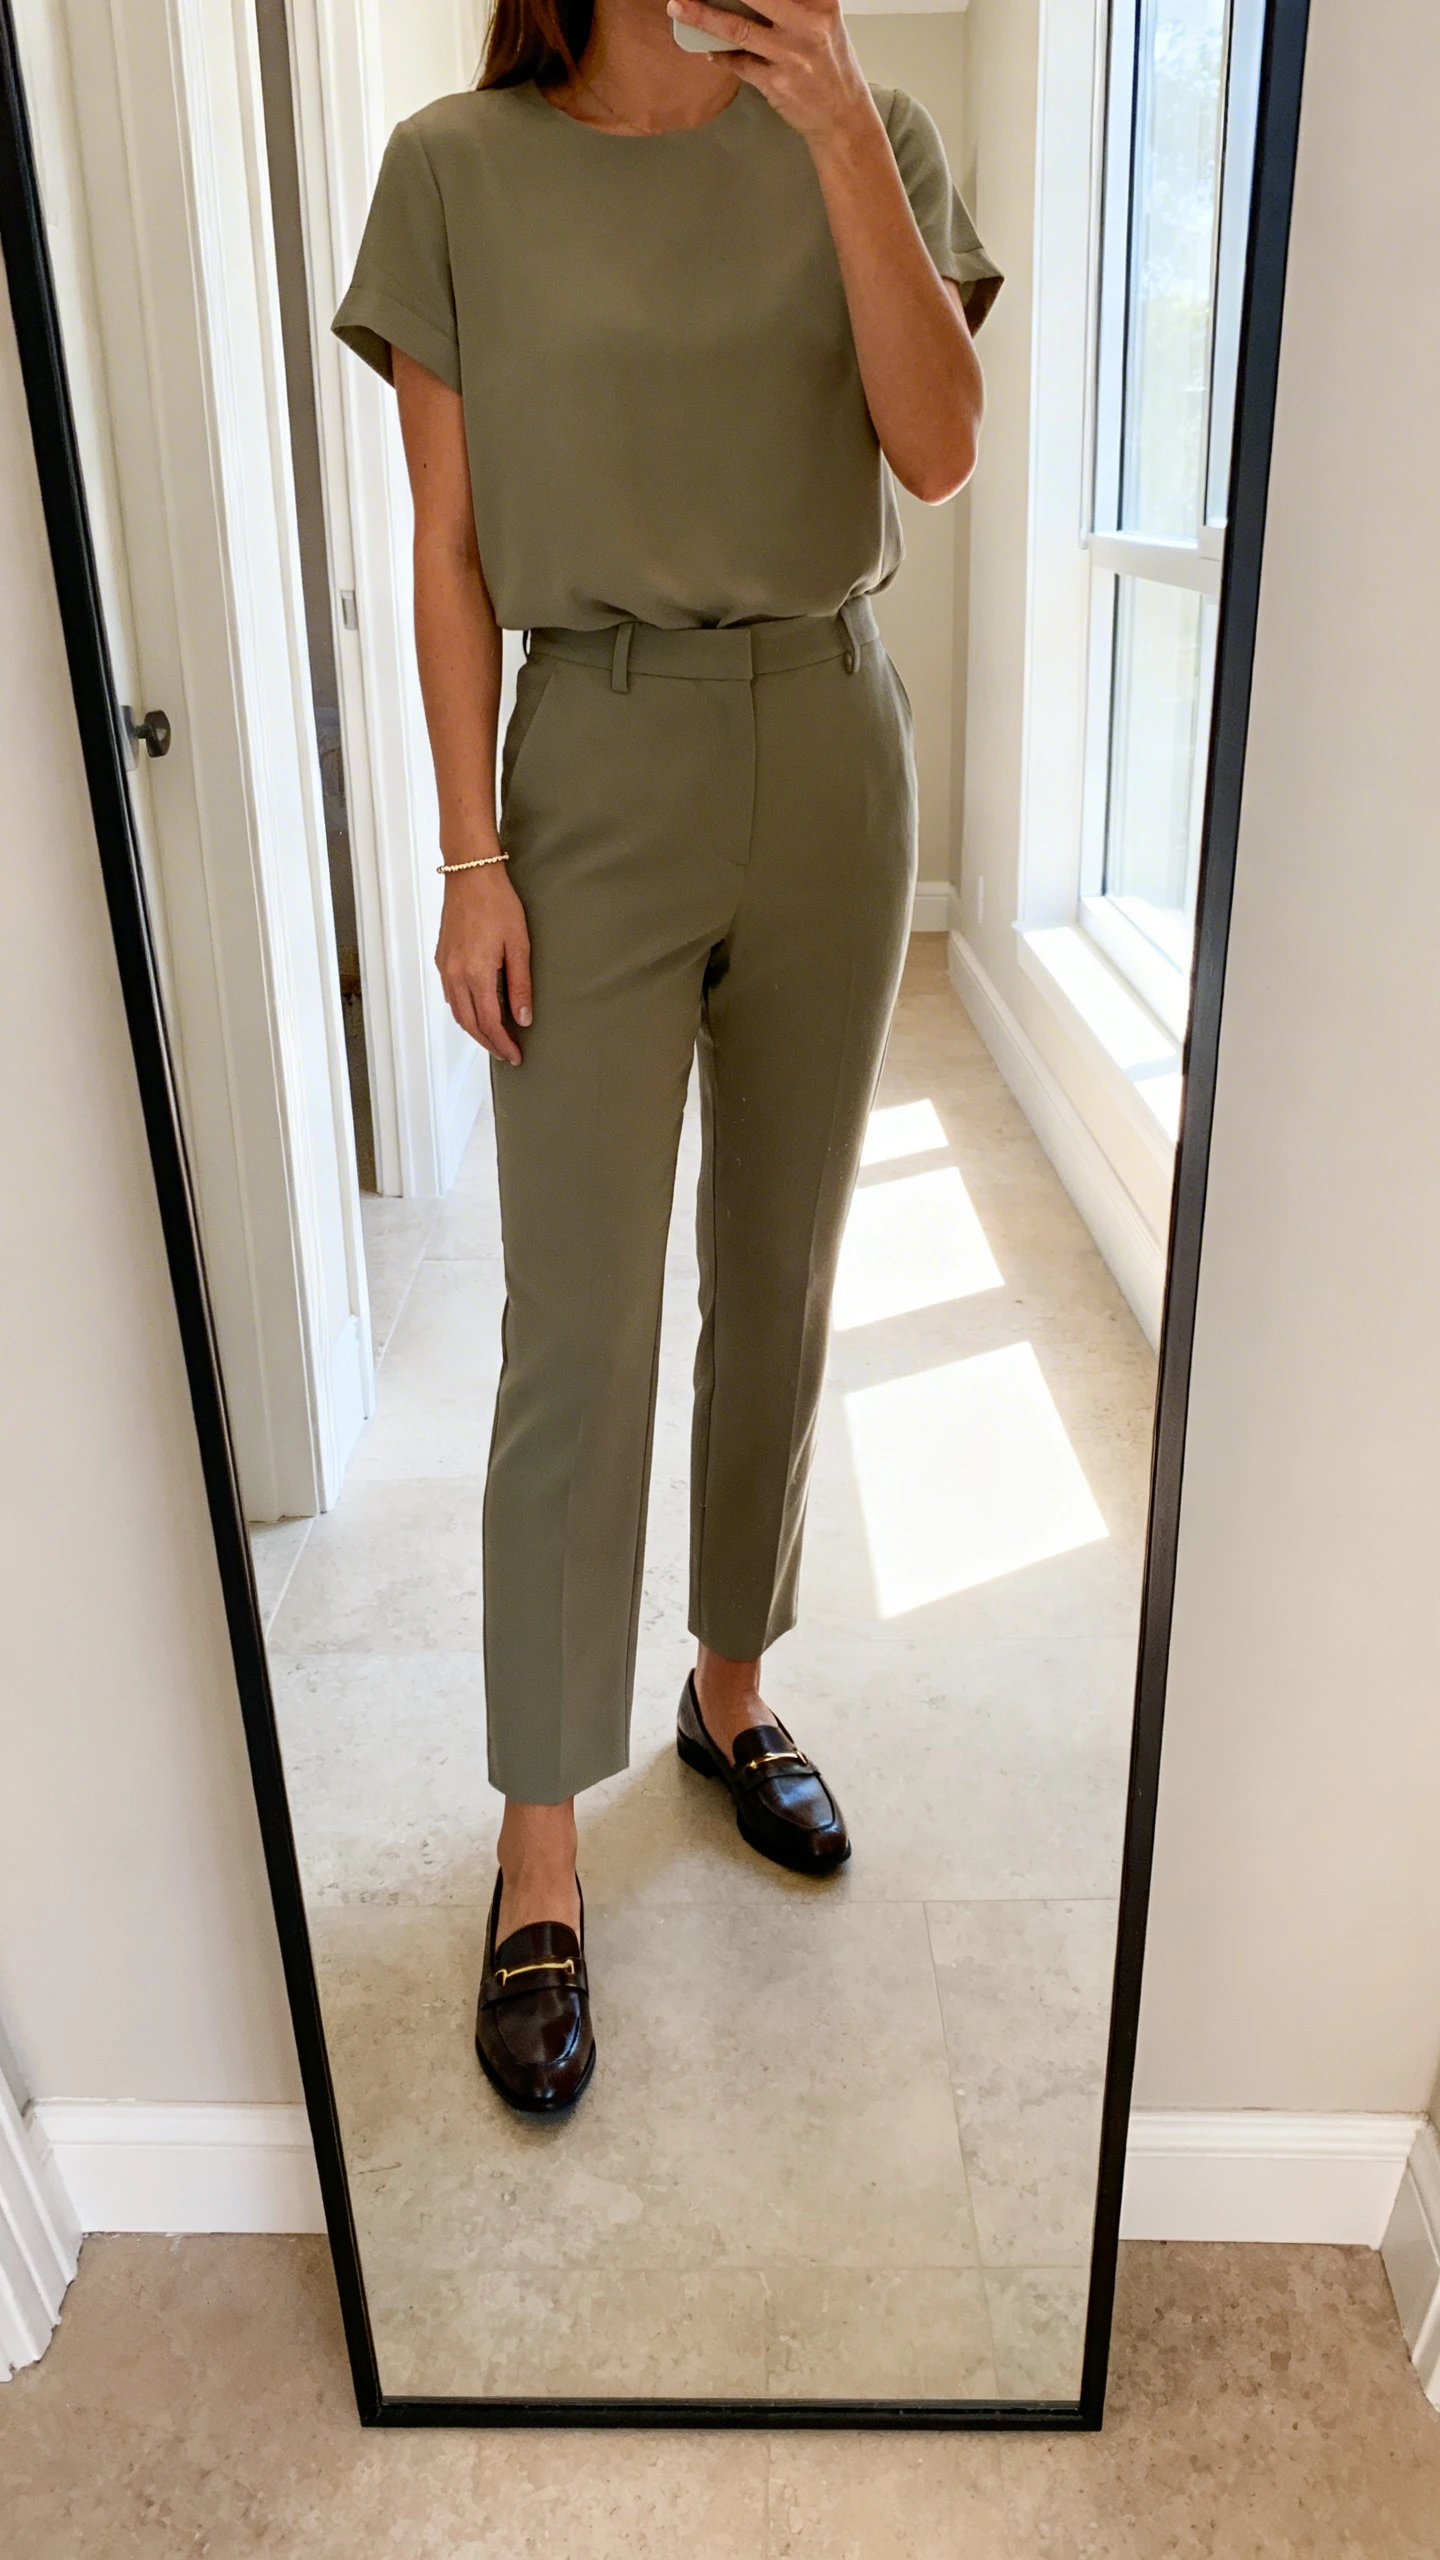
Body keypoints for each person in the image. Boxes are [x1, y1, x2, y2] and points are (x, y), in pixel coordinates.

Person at [333, 0, 1000, 2114]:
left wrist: (831, 133)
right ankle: (543, 1829)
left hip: (829, 733)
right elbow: (445, 550)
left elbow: (942, 439)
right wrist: (469, 854)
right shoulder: (458, 166)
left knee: (785, 1273)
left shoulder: (864, 125)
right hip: (589, 764)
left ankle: (733, 1687)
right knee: (576, 1324)